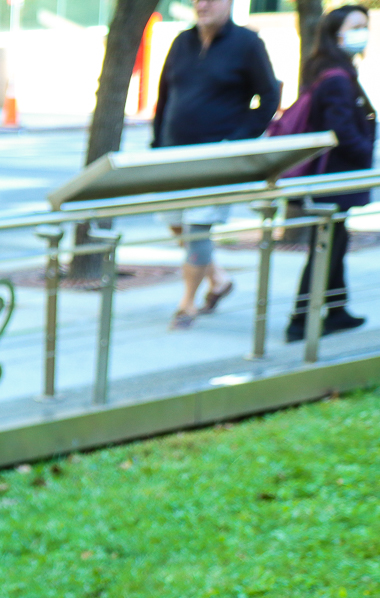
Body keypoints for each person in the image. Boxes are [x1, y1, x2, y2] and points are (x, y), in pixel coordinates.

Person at [151, 0, 281, 330]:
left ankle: (187, 305)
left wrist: (238, 141)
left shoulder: (248, 44)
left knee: (197, 230)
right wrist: (156, 144)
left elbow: (269, 97)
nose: (202, 4)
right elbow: (165, 95)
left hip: (215, 162)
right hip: (173, 156)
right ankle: (219, 280)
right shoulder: (182, 41)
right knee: (177, 223)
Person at [284, 5, 373, 342]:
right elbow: (341, 131)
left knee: (336, 241)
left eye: (366, 25)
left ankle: (336, 309)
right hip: (333, 178)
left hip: (333, 179)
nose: (363, 32)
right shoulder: (336, 77)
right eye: (357, 26)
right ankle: (300, 319)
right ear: (337, 33)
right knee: (328, 245)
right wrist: (367, 153)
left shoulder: (332, 71)